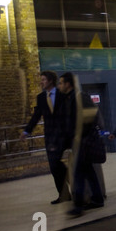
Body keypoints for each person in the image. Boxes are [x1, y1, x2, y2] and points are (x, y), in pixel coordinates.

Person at [58, 72, 105, 217]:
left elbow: (93, 116)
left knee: (77, 174)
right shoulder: (69, 99)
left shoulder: (80, 97)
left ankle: (78, 206)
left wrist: (81, 134)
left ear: (68, 84)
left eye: (61, 83)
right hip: (78, 142)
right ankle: (97, 199)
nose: (59, 86)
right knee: (88, 171)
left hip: (83, 143)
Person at [20, 70, 71, 205]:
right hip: (50, 138)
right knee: (54, 167)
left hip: (63, 136)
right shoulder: (41, 97)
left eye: (43, 80)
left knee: (56, 163)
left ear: (50, 81)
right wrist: (26, 131)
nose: (41, 82)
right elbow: (36, 116)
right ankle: (64, 194)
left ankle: (73, 179)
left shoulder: (62, 94)